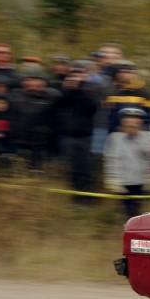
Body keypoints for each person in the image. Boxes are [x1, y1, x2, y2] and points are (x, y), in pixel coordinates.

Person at [56, 61, 100, 199]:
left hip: (84, 135)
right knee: (70, 168)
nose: (76, 77)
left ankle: (87, 197)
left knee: (85, 167)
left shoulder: (91, 89)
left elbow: (92, 108)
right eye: (73, 74)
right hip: (67, 135)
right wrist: (69, 90)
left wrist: (79, 89)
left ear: (85, 75)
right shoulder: (64, 90)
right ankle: (75, 196)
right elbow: (59, 106)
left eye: (79, 74)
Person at [103, 108, 150, 219]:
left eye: (135, 120)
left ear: (140, 122)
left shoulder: (148, 137)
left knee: (138, 212)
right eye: (128, 119)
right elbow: (111, 160)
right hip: (123, 182)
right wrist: (112, 179)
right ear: (123, 122)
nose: (131, 122)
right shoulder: (115, 138)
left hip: (141, 182)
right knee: (127, 213)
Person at [9, 67, 60, 171]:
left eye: (37, 80)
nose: (33, 83)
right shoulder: (16, 95)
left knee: (38, 171)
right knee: (20, 170)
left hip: (42, 143)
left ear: (44, 82)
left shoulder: (53, 96)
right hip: (20, 141)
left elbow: (57, 118)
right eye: (29, 80)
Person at [105, 61, 150, 134]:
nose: (125, 74)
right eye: (122, 72)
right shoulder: (111, 91)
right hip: (114, 132)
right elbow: (107, 113)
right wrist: (114, 127)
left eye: (129, 72)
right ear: (117, 74)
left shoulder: (146, 93)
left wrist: (141, 127)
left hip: (139, 132)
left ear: (135, 74)